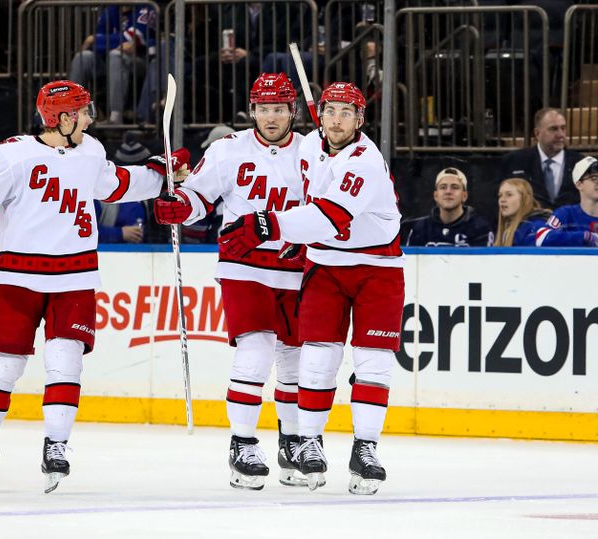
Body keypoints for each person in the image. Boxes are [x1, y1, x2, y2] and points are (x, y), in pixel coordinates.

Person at [0, 80, 189, 493]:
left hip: (76, 279)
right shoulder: (13, 154)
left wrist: (159, 174)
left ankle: (56, 444)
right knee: (4, 366)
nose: (90, 118)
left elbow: (116, 185)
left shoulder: (90, 151)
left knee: (66, 361)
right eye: (84, 112)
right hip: (19, 278)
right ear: (64, 118)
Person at [218, 82, 404, 495]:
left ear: (360, 120)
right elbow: (305, 201)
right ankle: (309, 442)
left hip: (377, 267)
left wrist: (266, 224)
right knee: (317, 358)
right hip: (324, 265)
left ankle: (366, 448)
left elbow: (329, 217)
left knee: (374, 362)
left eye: (346, 112)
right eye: (331, 110)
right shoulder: (307, 147)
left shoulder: (365, 161)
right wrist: (293, 240)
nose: (337, 120)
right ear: (319, 114)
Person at [153, 73, 306, 490]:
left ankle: (292, 440)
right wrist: (178, 206)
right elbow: (199, 198)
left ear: (292, 110)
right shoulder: (229, 150)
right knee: (256, 350)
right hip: (244, 266)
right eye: (263, 108)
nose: (270, 117)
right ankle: (243, 443)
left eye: (278, 109)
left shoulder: (312, 152)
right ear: (252, 110)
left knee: (294, 359)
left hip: (296, 267)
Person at [68, 5, 156, 124]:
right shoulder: (111, 9)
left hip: (141, 61)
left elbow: (133, 37)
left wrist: (96, 40)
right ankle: (74, 114)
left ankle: (115, 117)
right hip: (108, 60)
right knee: (83, 57)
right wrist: (99, 41)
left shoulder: (146, 7)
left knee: (116, 55)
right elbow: (95, 44)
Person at [501, 107, 583, 208]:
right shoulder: (514, 161)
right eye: (553, 129)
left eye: (563, 128)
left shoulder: (582, 164)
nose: (561, 135)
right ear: (537, 133)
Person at [404, 167, 493, 247]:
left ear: (464, 196)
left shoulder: (480, 229)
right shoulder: (421, 228)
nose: (448, 192)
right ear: (436, 195)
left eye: (455, 187)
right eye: (443, 187)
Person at [535, 156, 598, 247]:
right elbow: (541, 237)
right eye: (594, 178)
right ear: (579, 184)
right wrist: (585, 237)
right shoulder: (566, 213)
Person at [494, 177, 552, 247]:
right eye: (500, 195)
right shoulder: (508, 228)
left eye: (509, 195)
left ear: (525, 199)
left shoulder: (535, 228)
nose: (502, 200)